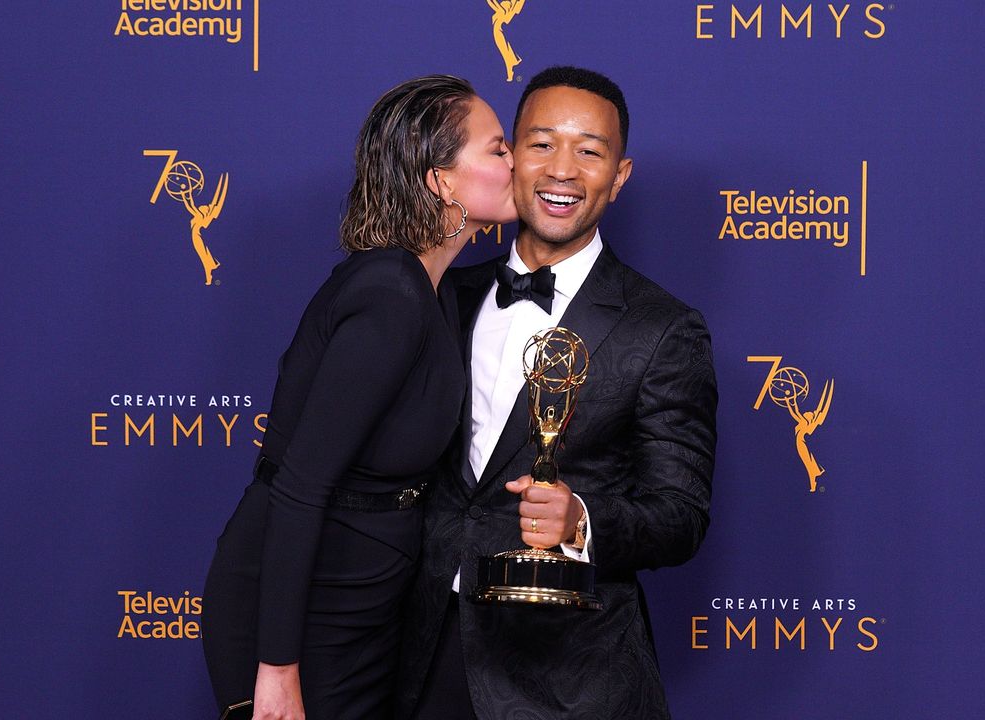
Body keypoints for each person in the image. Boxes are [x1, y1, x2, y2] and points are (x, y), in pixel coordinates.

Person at [400, 66, 718, 720]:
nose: (562, 170)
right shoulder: (439, 298)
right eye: (542, 144)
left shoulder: (663, 329)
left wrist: (584, 522)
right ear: (510, 156)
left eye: (590, 151)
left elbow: (680, 514)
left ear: (620, 175)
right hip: (418, 660)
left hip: (569, 683)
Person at [201, 75, 517, 720]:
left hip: (371, 594)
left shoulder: (436, 292)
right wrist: (278, 669)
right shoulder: (391, 291)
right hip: (308, 608)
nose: (517, 163)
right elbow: (299, 484)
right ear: (441, 181)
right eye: (497, 148)